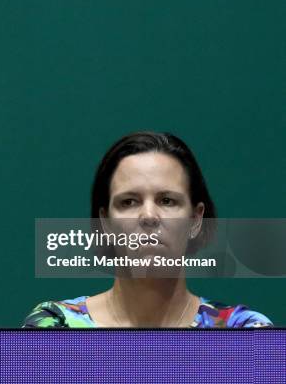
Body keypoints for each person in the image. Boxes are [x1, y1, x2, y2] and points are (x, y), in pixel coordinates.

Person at [24, 132, 272, 328]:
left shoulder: (243, 332)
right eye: (129, 202)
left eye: (167, 201)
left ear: (196, 220)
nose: (149, 216)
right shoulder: (56, 325)